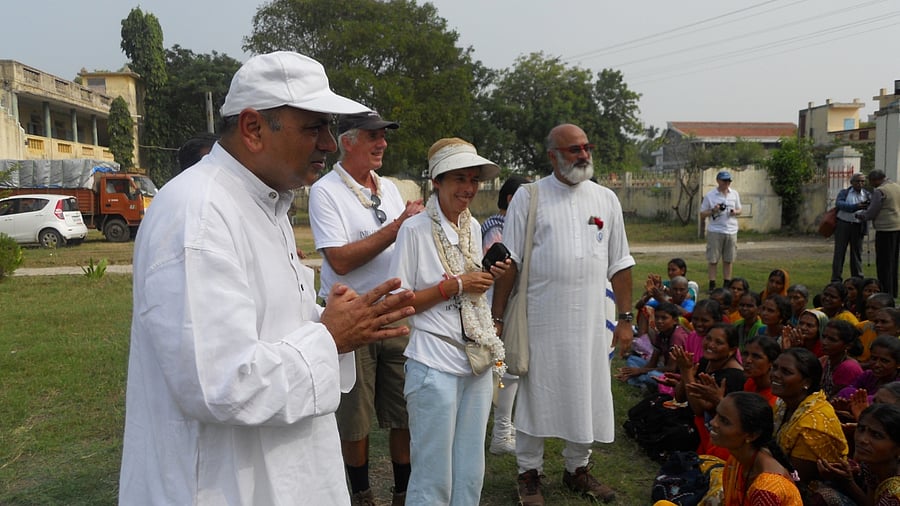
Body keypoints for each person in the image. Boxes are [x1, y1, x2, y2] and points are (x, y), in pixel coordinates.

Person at [118, 51, 417, 505]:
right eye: (314, 127)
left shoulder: (265, 202)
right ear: (254, 128)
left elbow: (271, 324)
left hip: (280, 471)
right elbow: (219, 382)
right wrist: (331, 338)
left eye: (330, 128)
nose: (329, 144)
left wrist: (344, 320)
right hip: (225, 484)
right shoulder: (198, 215)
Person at [491, 123, 635, 505]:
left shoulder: (605, 199)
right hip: (540, 318)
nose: (583, 155)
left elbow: (620, 264)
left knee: (585, 389)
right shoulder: (529, 196)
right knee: (536, 391)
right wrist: (498, 316)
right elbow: (512, 262)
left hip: (590, 321)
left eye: (586, 147)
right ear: (552, 155)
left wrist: (625, 319)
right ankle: (528, 473)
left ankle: (577, 469)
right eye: (573, 149)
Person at [308, 110, 423, 505]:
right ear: (348, 141)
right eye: (374, 136)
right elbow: (339, 259)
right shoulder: (326, 191)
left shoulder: (388, 189)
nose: (383, 144)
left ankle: (403, 490)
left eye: (384, 136)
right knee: (354, 418)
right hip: (353, 318)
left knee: (403, 409)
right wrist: (397, 226)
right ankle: (361, 493)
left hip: (395, 313)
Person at [389, 137, 508, 505]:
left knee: (471, 469)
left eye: (474, 179)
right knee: (433, 473)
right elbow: (398, 303)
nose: (469, 188)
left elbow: (472, 291)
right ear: (437, 181)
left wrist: (486, 277)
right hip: (433, 360)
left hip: (475, 361)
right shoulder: (414, 230)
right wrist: (456, 285)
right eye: (459, 179)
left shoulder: (472, 227)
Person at [482, 174, 528, 455]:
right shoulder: (497, 231)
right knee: (505, 371)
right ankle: (500, 432)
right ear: (512, 200)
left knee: (508, 371)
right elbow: (501, 271)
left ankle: (505, 428)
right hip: (496, 307)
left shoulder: (506, 227)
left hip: (507, 306)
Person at [770, 348, 849, 498]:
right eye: (774, 368)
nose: (775, 374)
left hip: (807, 494)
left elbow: (796, 478)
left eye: (786, 372)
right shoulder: (783, 403)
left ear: (806, 382)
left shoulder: (813, 425)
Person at [711, 392, 803, 505]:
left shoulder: (766, 489)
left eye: (724, 421)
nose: (713, 423)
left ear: (751, 435)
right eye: (716, 415)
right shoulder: (735, 461)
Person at [815, 404, 900, 505]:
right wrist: (847, 481)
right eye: (861, 429)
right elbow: (870, 503)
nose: (862, 439)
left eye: (876, 435)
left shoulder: (895, 493)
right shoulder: (872, 464)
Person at [855, 169, 900, 298]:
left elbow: (872, 212)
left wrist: (860, 215)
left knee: (884, 263)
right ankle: (892, 291)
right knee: (893, 261)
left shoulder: (879, 191)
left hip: (885, 228)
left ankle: (885, 291)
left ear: (876, 180)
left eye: (870, 181)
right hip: (897, 227)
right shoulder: (896, 186)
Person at [700, 170, 742, 293]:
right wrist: (714, 210)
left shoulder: (734, 194)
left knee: (728, 259)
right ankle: (712, 285)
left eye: (729, 181)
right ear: (718, 181)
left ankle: (727, 284)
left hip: (731, 230)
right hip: (715, 230)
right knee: (713, 259)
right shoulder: (710, 195)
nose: (726, 183)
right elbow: (702, 214)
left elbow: (740, 210)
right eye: (724, 181)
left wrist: (735, 212)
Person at [832, 173, 870, 282]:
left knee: (856, 253)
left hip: (858, 226)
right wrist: (855, 207)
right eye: (857, 181)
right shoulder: (844, 193)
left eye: (862, 181)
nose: (860, 184)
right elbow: (839, 204)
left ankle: (857, 278)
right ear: (852, 182)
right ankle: (836, 278)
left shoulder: (866, 194)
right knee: (839, 252)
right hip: (843, 224)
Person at [818, 320, 864, 400]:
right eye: (824, 337)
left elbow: (836, 398)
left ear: (848, 345)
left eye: (832, 340)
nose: (824, 342)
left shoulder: (849, 367)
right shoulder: (824, 360)